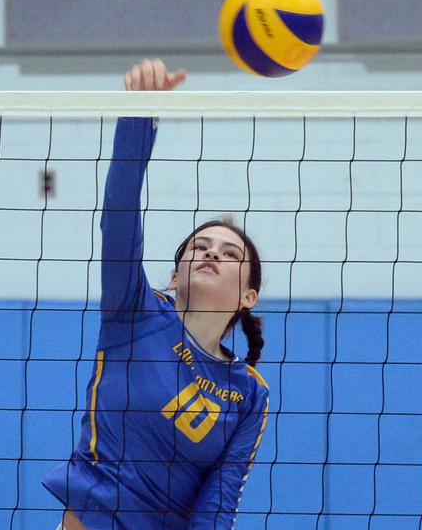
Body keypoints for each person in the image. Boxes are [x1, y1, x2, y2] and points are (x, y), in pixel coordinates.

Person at [42, 59, 270, 530]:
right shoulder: (135, 312)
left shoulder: (248, 393)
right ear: (174, 274)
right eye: (199, 247)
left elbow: (218, 504)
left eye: (229, 254)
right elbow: (119, 215)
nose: (211, 253)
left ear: (248, 296)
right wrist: (139, 116)